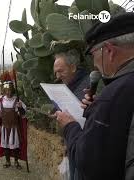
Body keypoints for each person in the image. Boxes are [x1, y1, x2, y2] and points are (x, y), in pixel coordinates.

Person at [55, 13, 134, 180]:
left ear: (110, 51)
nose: (95, 63)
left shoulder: (114, 94)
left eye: (94, 55)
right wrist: (96, 110)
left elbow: (88, 161)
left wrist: (69, 126)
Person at [53, 49, 90, 180]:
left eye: (61, 71)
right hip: (73, 144)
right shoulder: (69, 86)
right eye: (56, 72)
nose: (57, 76)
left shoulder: (88, 85)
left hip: (85, 149)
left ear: (73, 67)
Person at [0, 71, 28, 169]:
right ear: (4, 90)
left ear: (12, 90)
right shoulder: (1, 101)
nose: (8, 92)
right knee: (6, 146)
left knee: (15, 146)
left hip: (14, 127)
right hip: (4, 126)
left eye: (9, 90)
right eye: (6, 90)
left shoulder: (17, 100)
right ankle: (8, 161)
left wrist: (20, 107)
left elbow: (23, 115)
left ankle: (16, 162)